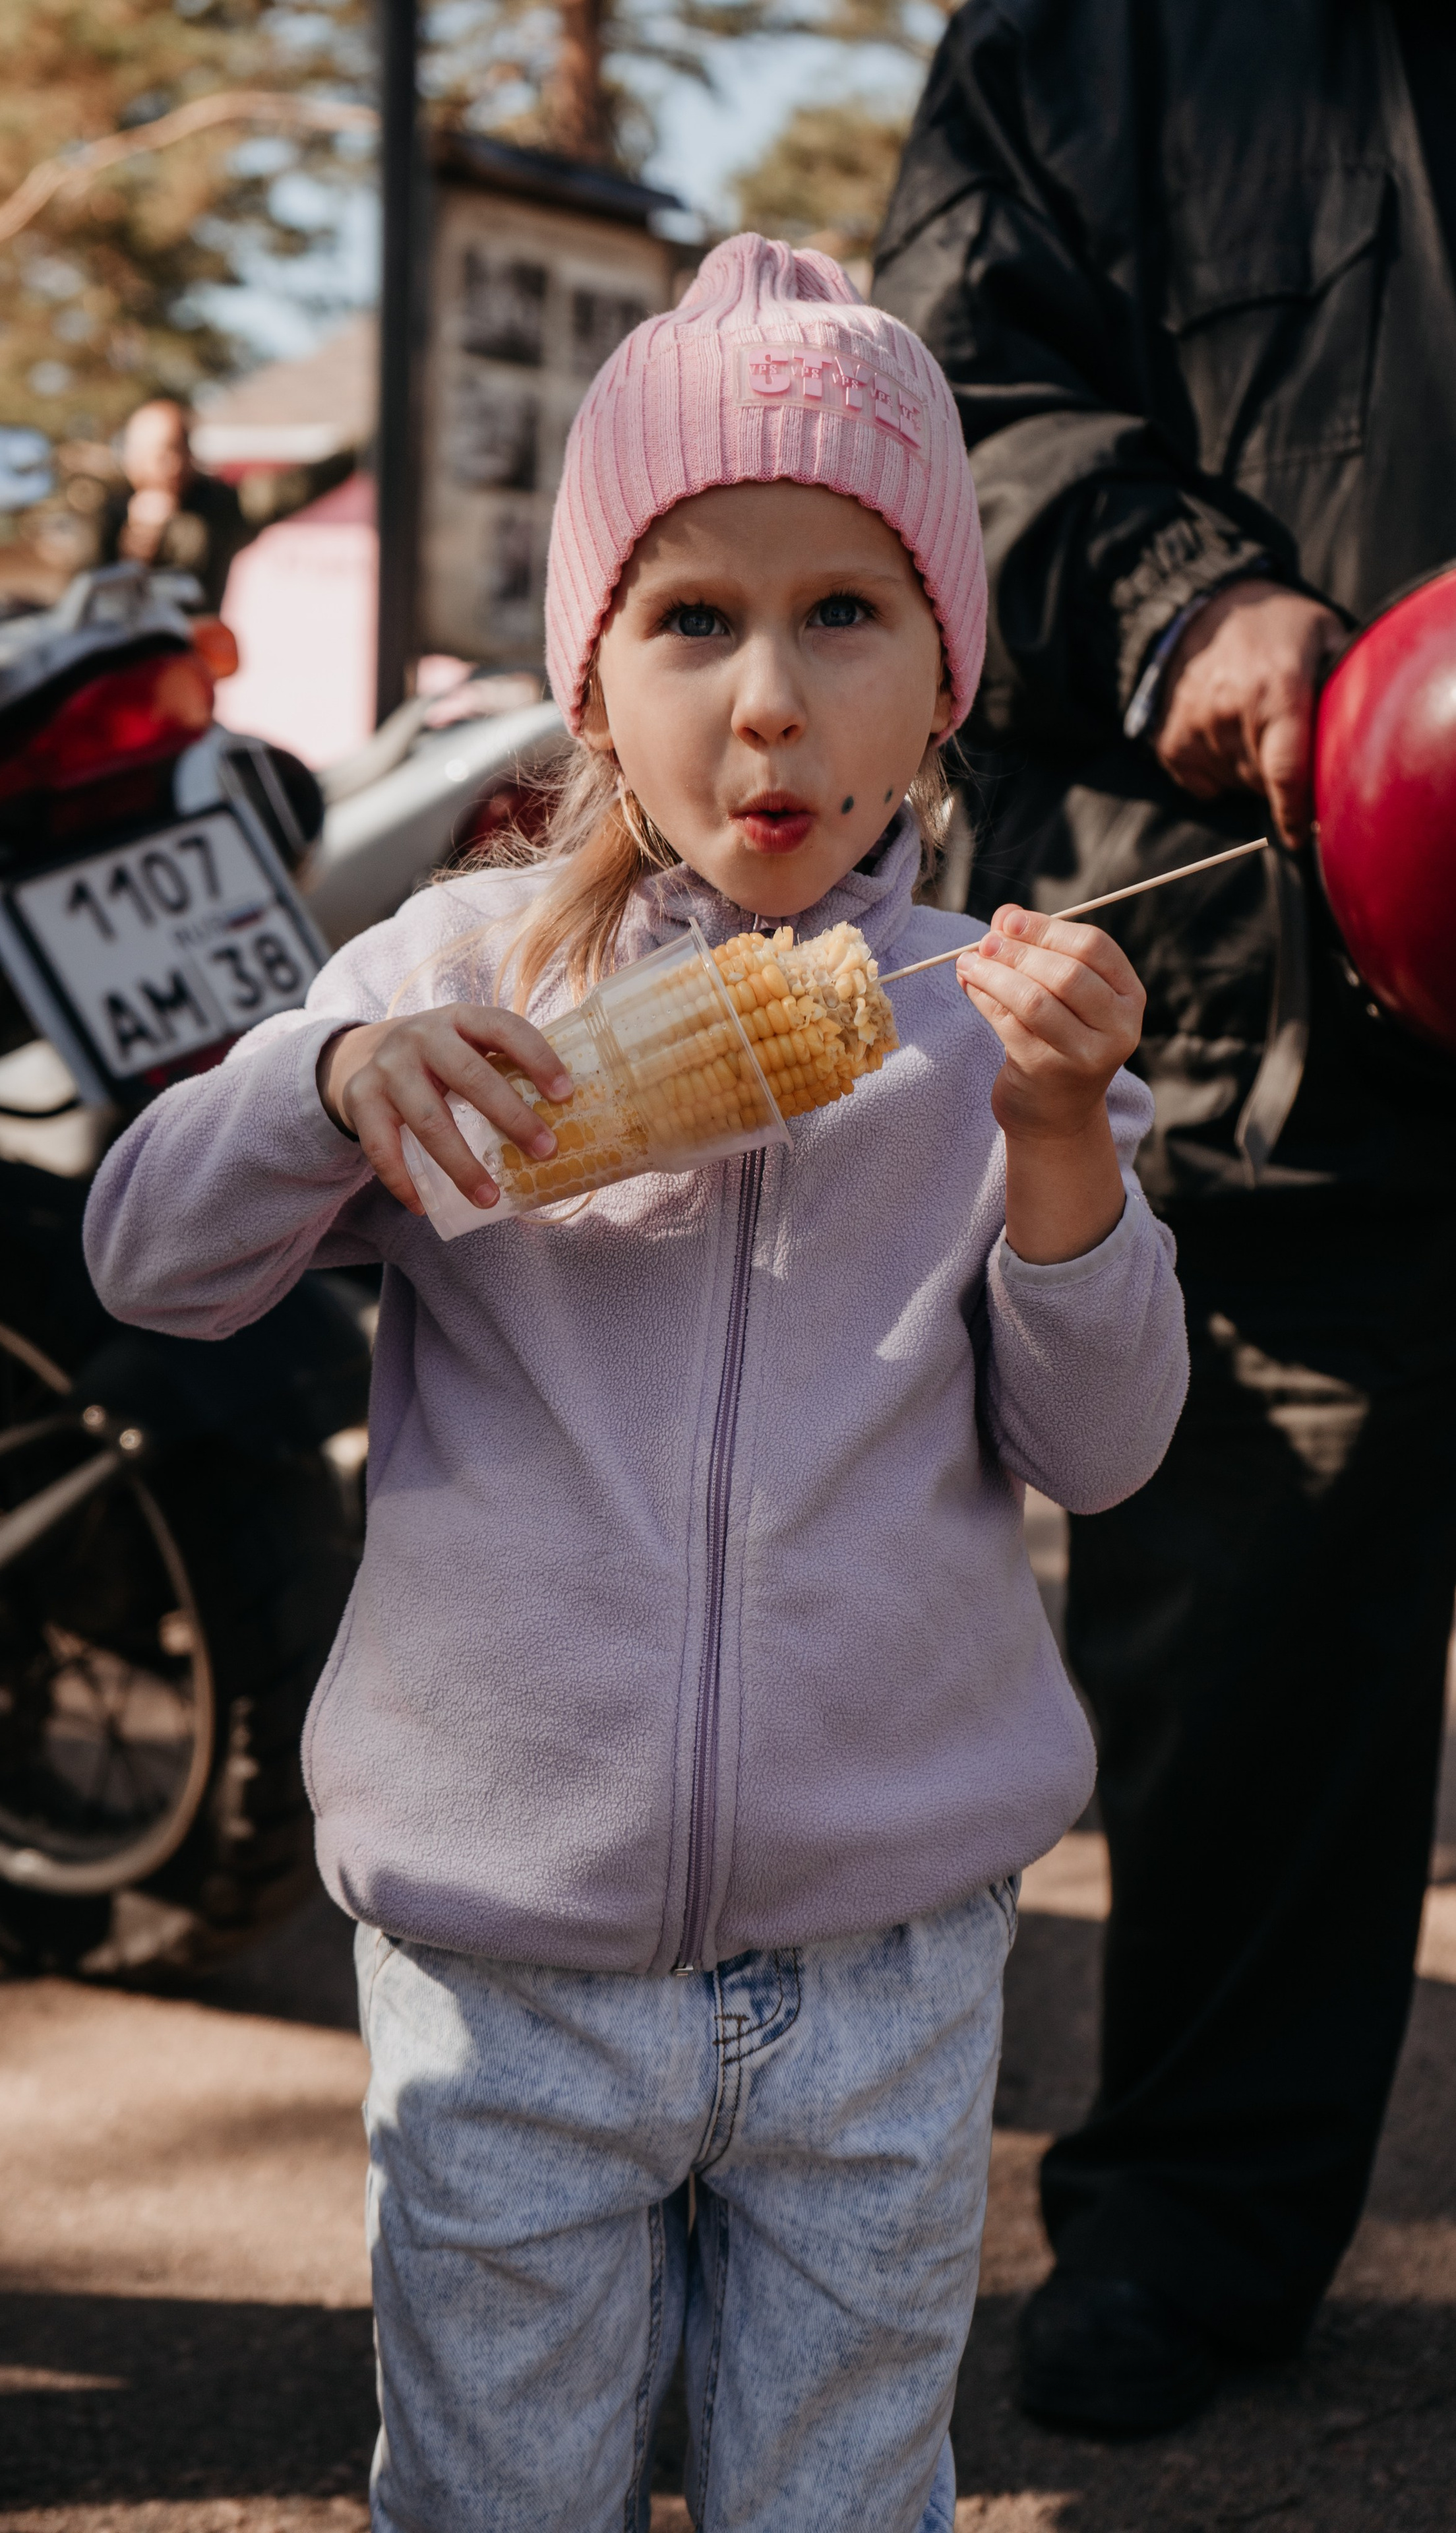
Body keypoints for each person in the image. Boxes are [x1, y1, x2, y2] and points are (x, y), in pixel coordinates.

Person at [84, 234, 1186, 2532]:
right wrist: (325, 1081)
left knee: (842, 2492)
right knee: (501, 2492)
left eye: (844, 616)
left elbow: (1108, 1445)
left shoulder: (999, 1027)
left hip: (880, 1967)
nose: (766, 705)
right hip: (513, 1967)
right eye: (693, 619)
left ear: (945, 696)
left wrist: (1067, 1152)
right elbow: (150, 1268)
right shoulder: (454, 974)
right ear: (592, 681)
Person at [872, 0, 1456, 2438]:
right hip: (1251, 1004)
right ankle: (1197, 2222)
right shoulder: (1081, 37)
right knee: (1246, 1679)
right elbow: (949, 409)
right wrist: (1186, 610)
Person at [100, 398, 249, 610]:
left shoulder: (214, 505)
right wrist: (135, 545)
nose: (173, 465)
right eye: (162, 453)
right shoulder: (103, 513)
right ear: (132, 455)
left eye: (180, 449)